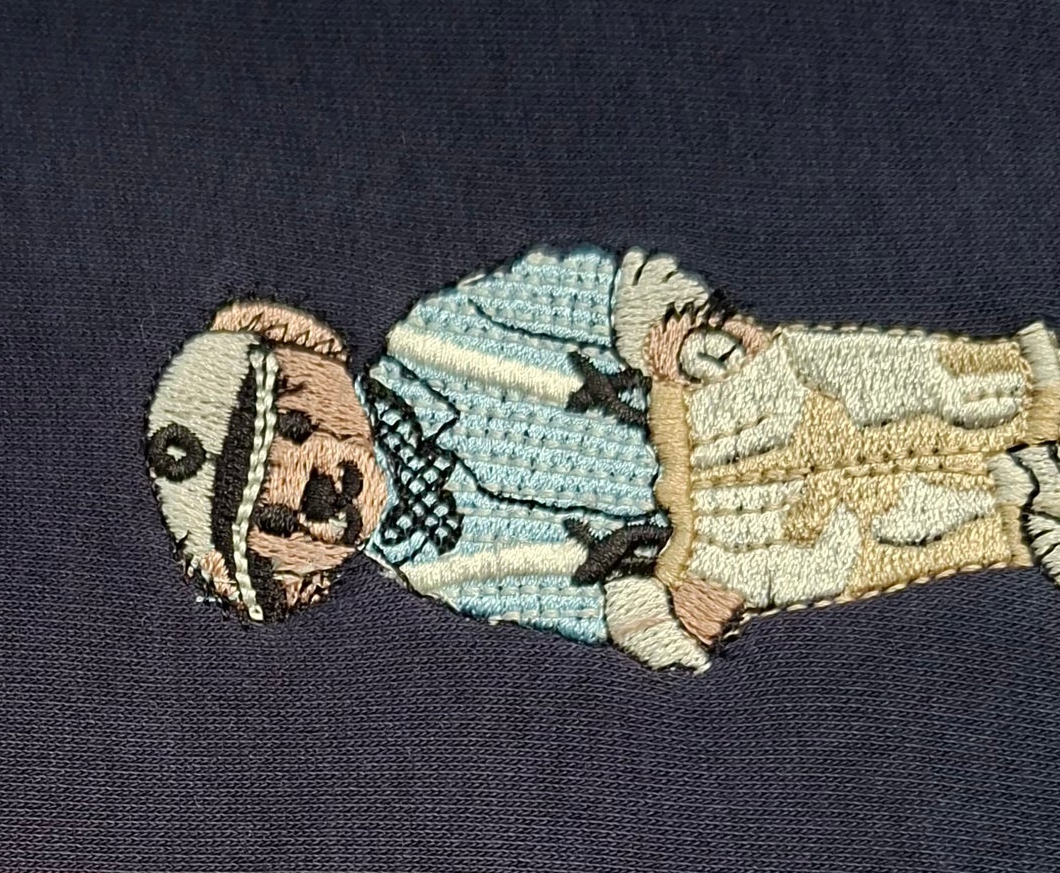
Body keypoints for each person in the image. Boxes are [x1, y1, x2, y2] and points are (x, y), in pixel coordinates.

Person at [145, 244, 1060, 669]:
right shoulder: (434, 567)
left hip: (697, 401)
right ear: (297, 578)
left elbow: (574, 292)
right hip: (701, 549)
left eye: (294, 423)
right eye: (276, 522)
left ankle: (1034, 389)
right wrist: (661, 617)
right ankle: (1023, 512)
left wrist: (662, 323)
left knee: (885, 392)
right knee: (872, 536)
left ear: (304, 341)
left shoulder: (438, 337)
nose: (313, 480)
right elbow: (559, 597)